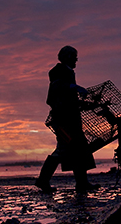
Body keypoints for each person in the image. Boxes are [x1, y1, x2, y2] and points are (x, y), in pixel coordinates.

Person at [35, 46, 100, 193]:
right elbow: (58, 87)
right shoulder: (57, 71)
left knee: (79, 149)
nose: (76, 59)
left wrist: (85, 103)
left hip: (71, 120)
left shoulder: (69, 73)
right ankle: (43, 180)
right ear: (66, 57)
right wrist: (75, 87)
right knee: (63, 149)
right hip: (63, 121)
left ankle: (82, 183)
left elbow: (69, 99)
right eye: (74, 56)